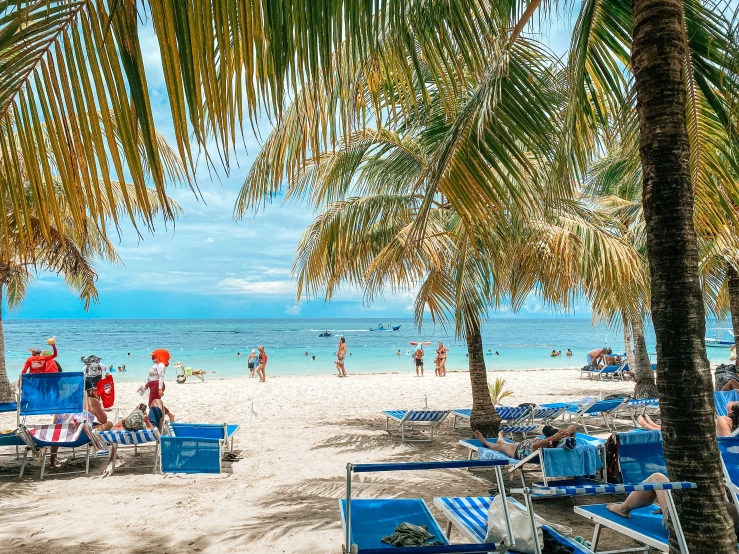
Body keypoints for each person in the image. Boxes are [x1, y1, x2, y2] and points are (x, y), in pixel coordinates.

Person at [473, 424, 577, 461]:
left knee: (500, 446)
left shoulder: (549, 445)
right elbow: (574, 428)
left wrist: (552, 438)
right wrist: (566, 431)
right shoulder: (564, 440)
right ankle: (500, 437)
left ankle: (484, 441)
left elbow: (535, 446)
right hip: (526, 444)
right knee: (506, 443)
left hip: (519, 452)